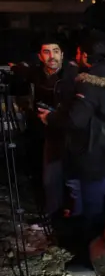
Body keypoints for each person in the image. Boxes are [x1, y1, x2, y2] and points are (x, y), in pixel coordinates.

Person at [38, 35, 105, 270]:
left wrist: (51, 117)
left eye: (79, 54)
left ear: (85, 56)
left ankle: (91, 260)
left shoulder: (89, 82)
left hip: (94, 156)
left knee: (93, 210)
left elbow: (77, 120)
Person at [10, 39, 78, 226]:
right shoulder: (35, 74)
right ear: (40, 56)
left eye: (56, 51)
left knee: (71, 178)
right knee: (50, 178)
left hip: (70, 134)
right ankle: (53, 215)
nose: (52, 56)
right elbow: (23, 72)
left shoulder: (73, 76)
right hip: (45, 134)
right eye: (46, 52)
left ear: (62, 55)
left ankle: (72, 216)